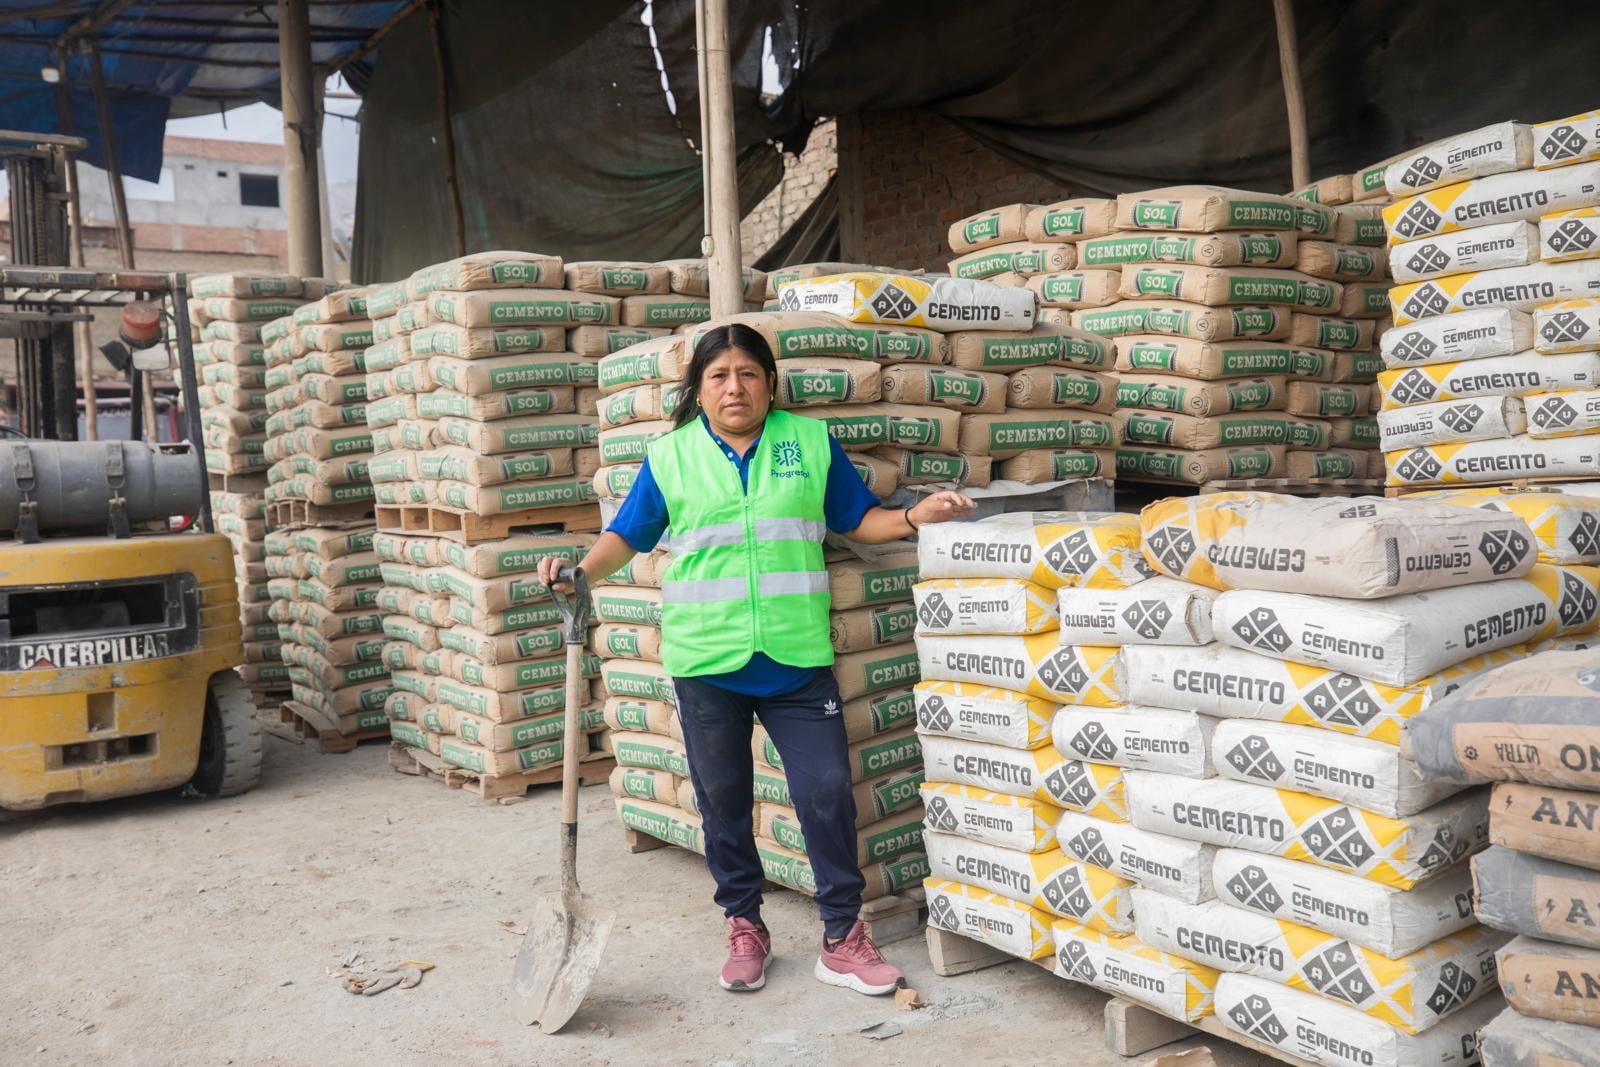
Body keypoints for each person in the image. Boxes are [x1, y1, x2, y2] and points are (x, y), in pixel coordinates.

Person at [539, 322, 975, 996]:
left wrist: (917, 517)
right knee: (724, 801)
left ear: (770, 385)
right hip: (706, 658)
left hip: (794, 654)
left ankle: (841, 936)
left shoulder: (806, 441)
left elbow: (860, 521)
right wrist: (579, 571)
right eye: (719, 376)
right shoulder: (672, 456)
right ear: (699, 389)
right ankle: (744, 923)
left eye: (748, 373)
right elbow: (626, 534)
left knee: (827, 790)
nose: (734, 386)